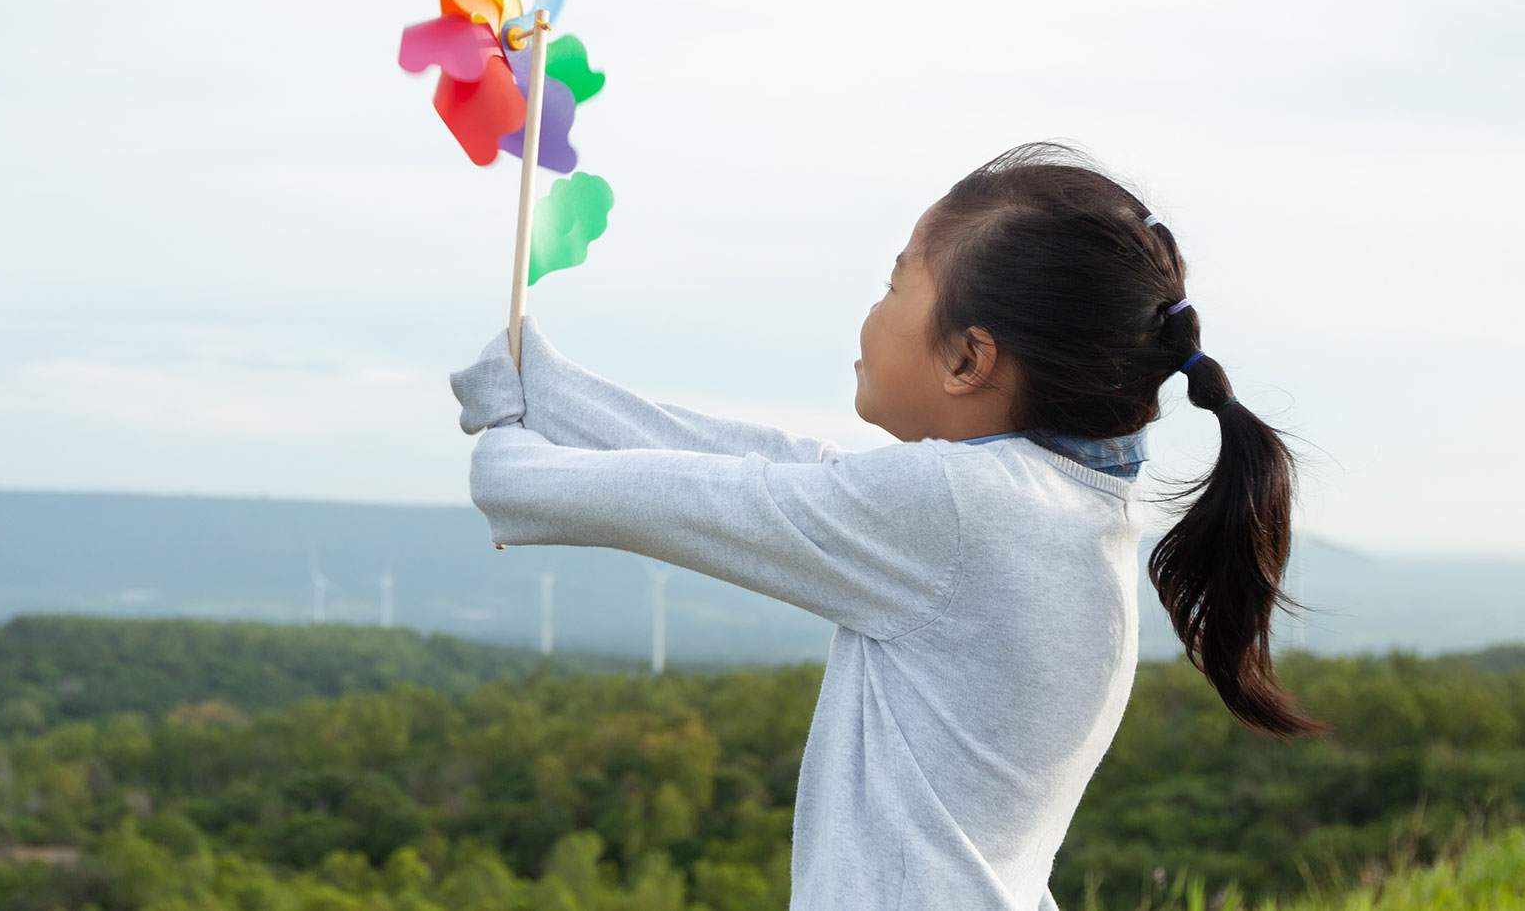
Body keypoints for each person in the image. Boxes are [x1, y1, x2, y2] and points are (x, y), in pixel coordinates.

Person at [450, 142, 1319, 910]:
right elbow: (793, 475)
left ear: (968, 357)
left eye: (895, 282)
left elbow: (716, 500)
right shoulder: (1068, 500)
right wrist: (552, 395)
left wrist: (514, 461)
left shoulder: (964, 512)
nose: (872, 312)